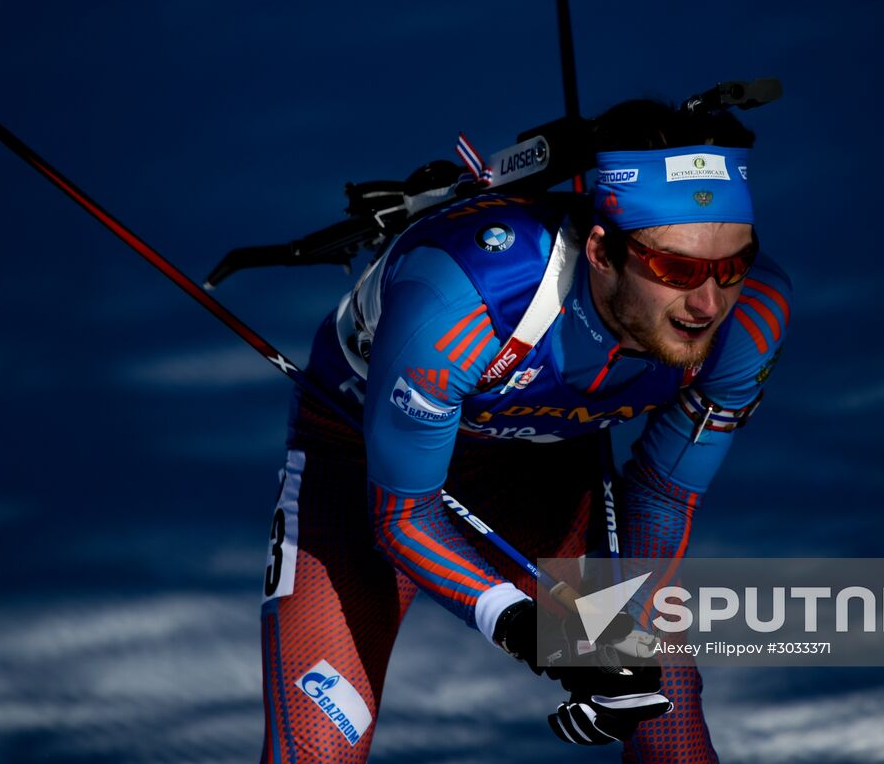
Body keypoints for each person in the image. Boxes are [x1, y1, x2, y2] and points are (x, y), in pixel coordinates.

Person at [258, 98, 793, 762]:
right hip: (363, 459)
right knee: (315, 749)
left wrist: (619, 637)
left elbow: (662, 494)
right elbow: (402, 518)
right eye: (675, 269)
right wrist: (545, 634)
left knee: (668, 727)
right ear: (601, 250)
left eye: (731, 266)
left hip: (543, 472)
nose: (709, 302)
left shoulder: (752, 320)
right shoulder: (466, 296)